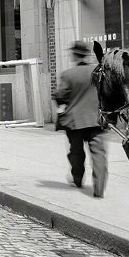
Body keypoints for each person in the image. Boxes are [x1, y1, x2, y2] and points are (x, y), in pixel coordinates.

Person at [53, 39, 108, 198]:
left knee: (76, 153)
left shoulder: (68, 74)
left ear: (75, 56)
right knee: (99, 154)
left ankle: (77, 179)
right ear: (87, 55)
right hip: (96, 120)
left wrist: (58, 98)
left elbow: (61, 96)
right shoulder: (98, 72)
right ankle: (99, 189)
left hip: (75, 121)